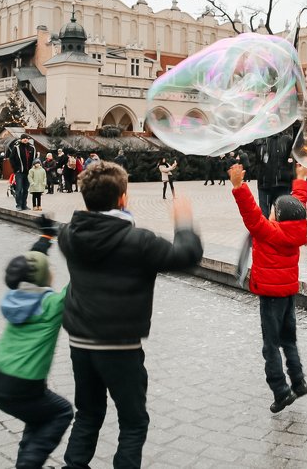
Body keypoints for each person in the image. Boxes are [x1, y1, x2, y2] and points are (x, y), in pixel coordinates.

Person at [59, 161, 203, 468]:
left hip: (81, 342)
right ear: (123, 198)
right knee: (133, 421)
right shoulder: (138, 241)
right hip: (120, 346)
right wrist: (184, 222)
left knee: (87, 414)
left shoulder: (69, 235)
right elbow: (186, 257)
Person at [0, 216, 73, 469]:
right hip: (23, 384)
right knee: (61, 412)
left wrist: (46, 238)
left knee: (37, 418)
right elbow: (79, 280)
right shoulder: (51, 305)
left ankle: (27, 462)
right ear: (44, 278)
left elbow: (29, 264)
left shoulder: (15, 296)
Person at [228, 161, 307, 413]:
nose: (270, 213)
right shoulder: (297, 228)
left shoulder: (268, 231)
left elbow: (251, 213)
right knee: (289, 340)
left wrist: (239, 186)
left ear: (278, 217)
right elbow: (298, 203)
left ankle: (281, 390)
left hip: (271, 297)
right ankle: (298, 381)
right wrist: (300, 179)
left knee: (271, 345)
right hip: (288, 295)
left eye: (273, 210)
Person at [255, 133, 294, 217]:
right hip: (264, 184)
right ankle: (265, 230)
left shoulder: (286, 139)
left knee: (282, 214)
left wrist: (296, 124)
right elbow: (245, 146)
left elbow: (298, 142)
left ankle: (279, 230)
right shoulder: (259, 140)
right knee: (264, 215)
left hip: (281, 184)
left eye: (274, 120)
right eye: (269, 121)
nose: (271, 122)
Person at [9, 135, 35, 211]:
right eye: (24, 138)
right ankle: (19, 205)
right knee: (19, 189)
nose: (25, 140)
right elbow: (11, 159)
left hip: (28, 172)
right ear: (21, 139)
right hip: (19, 172)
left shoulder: (32, 148)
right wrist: (16, 169)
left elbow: (34, 159)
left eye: (26, 138)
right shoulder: (16, 148)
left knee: (26, 189)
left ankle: (24, 205)